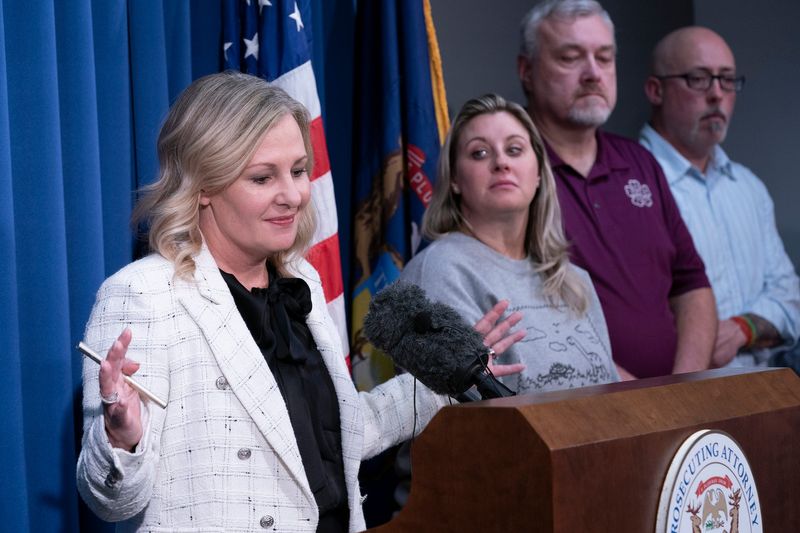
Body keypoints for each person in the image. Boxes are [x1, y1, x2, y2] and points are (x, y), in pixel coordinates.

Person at [75, 72, 519, 532]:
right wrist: (121, 438)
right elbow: (111, 502)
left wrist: (443, 379)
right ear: (203, 185)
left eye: (299, 170)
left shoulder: (299, 279)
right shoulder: (143, 296)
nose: (292, 195)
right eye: (263, 177)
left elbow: (342, 435)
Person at [516, 0, 717, 379]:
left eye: (605, 58)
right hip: (577, 410)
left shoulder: (640, 162)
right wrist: (631, 398)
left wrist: (685, 387)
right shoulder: (508, 171)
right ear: (526, 70)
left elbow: (692, 285)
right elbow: (518, 315)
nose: (593, 74)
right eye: (570, 57)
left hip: (672, 405)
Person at [401, 93, 620, 394]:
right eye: (479, 153)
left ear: (540, 173)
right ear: (454, 178)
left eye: (514, 149)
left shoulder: (574, 281)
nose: (501, 162)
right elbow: (460, 415)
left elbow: (609, 393)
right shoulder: (438, 271)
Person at [640, 26, 800, 368]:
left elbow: (791, 296)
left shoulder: (748, 187)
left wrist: (744, 328)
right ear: (656, 90)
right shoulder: (631, 187)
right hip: (680, 397)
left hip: (768, 395)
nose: (716, 94)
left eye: (727, 80)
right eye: (698, 78)